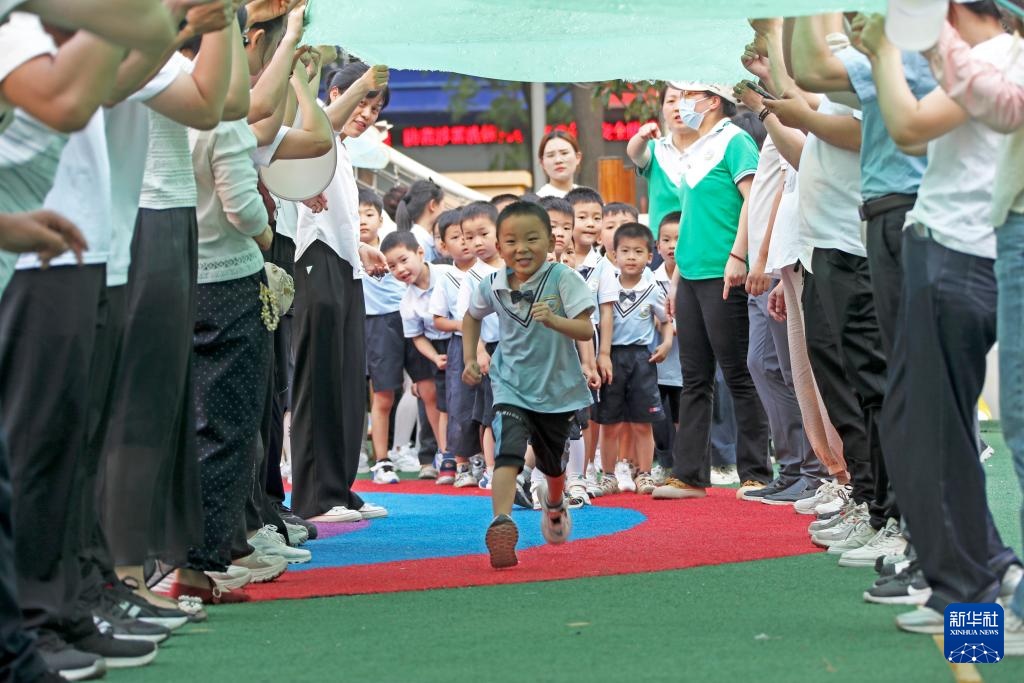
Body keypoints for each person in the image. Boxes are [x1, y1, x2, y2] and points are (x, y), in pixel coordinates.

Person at [857, 2, 1024, 635]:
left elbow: (907, 129)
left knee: (928, 433)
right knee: (932, 429)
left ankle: (972, 603)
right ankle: (986, 578)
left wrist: (884, 51)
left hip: (957, 254)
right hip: (964, 252)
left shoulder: (996, 56)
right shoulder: (991, 55)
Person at [652, 82, 772, 501]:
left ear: (713, 100)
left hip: (726, 272)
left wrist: (739, 256)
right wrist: (675, 280)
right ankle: (688, 475)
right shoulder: (696, 148)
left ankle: (757, 472)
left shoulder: (734, 140)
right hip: (691, 274)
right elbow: (689, 218)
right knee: (694, 378)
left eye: (690, 94)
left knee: (739, 374)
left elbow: (754, 199)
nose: (682, 103)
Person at [462, 201, 595, 569]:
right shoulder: (493, 284)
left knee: (553, 465)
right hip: (510, 386)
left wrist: (555, 320)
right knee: (508, 452)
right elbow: (471, 317)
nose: (521, 249)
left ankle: (554, 503)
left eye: (532, 239)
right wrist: (470, 357)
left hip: (557, 390)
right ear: (499, 247)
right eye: (511, 241)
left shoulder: (563, 278)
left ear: (551, 241)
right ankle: (502, 522)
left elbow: (586, 329)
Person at [290, 60, 390, 524]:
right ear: (334, 94)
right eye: (363, 101)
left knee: (348, 383)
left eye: (376, 107)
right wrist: (363, 81)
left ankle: (339, 488)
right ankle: (314, 497)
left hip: (345, 266)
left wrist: (362, 247)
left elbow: (341, 219)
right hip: (315, 262)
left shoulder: (345, 151)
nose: (367, 113)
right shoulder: (315, 130)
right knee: (320, 380)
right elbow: (323, 124)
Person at [594, 223, 672, 495]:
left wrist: (666, 343)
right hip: (611, 358)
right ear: (614, 255)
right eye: (625, 251)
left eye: (638, 252)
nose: (630, 257)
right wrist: (601, 355)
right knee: (610, 423)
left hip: (642, 360)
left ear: (650, 256)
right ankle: (607, 475)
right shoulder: (606, 287)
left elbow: (666, 320)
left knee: (642, 422)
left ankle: (645, 474)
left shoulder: (653, 289)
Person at [381, 230, 451, 480]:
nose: (399, 269)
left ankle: (471, 456)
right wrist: (435, 357)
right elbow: (417, 336)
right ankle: (444, 454)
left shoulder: (448, 275)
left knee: (461, 400)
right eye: (392, 266)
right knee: (432, 398)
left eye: (403, 260)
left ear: (420, 252)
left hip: (460, 339)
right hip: (430, 347)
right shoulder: (407, 301)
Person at [455, 201, 503, 488]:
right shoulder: (471, 277)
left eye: (483, 234)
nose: (477, 242)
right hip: (490, 350)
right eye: (469, 237)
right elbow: (468, 319)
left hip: (519, 349)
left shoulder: (515, 267)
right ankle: (491, 468)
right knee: (489, 412)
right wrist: (479, 351)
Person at [429, 208, 478, 485]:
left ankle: (487, 461)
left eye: (468, 235)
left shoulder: (490, 271)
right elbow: (437, 319)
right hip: (460, 345)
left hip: (491, 343)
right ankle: (461, 463)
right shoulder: (445, 278)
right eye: (456, 237)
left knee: (489, 402)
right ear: (444, 246)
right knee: (460, 402)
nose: (464, 242)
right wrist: (463, 325)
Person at [626, 83, 698, 237]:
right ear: (662, 109)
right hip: (660, 244)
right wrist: (641, 136)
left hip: (700, 240)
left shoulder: (713, 149)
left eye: (686, 100)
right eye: (671, 101)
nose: (678, 107)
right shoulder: (655, 148)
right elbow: (634, 153)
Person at [651, 213, 683, 485]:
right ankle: (664, 463)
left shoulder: (693, 279)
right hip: (658, 364)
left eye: (679, 239)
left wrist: (668, 323)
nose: (672, 245)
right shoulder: (650, 280)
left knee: (684, 417)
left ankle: (686, 464)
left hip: (686, 365)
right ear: (657, 245)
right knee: (658, 418)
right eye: (666, 239)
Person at [395, 178, 444, 262]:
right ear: (432, 205)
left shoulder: (419, 239)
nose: (444, 211)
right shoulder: (418, 242)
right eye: (443, 206)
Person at [535, 130, 581, 198]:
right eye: (551, 155)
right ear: (542, 163)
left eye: (564, 153)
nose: (558, 160)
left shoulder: (589, 198)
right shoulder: (538, 200)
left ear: (578, 157)